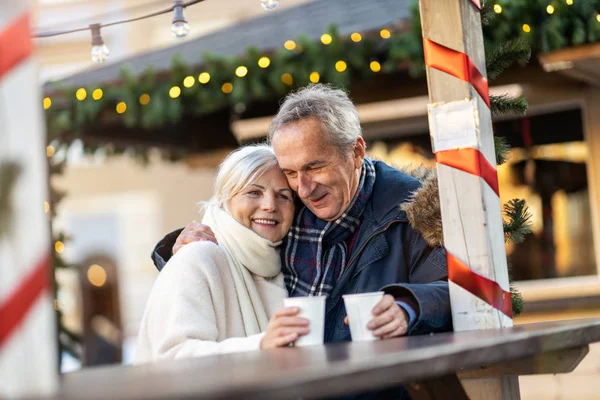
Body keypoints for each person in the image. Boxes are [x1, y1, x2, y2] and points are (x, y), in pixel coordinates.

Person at [152, 84, 452, 343]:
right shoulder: (287, 207)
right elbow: (236, 238)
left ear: (357, 152)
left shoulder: (416, 212)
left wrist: (409, 305)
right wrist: (181, 246)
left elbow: (462, 291)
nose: (304, 188)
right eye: (290, 172)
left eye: (314, 167)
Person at [135, 145, 312, 363]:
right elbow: (174, 358)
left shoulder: (288, 266)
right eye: (254, 192)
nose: (269, 205)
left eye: (283, 196)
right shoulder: (197, 257)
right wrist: (260, 346)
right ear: (223, 197)